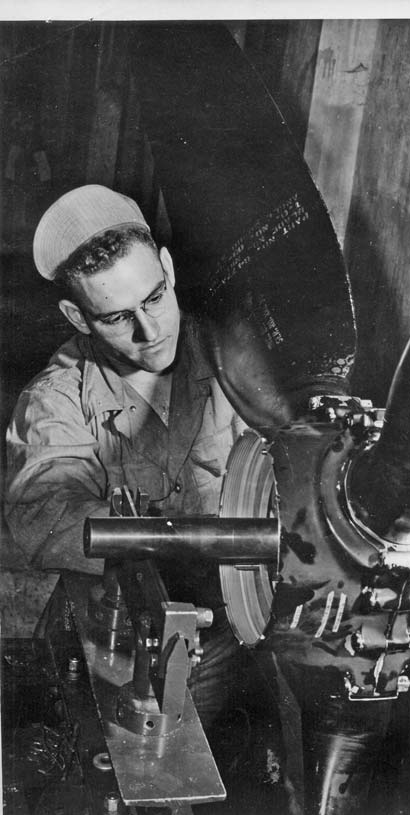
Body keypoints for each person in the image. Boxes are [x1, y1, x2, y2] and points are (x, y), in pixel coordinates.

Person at [3, 183, 267, 738]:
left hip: (233, 627)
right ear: (78, 317)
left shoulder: (237, 358)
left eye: (154, 298)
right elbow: (44, 511)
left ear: (168, 269)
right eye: (118, 318)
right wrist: (171, 537)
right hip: (111, 637)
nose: (150, 332)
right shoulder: (58, 398)